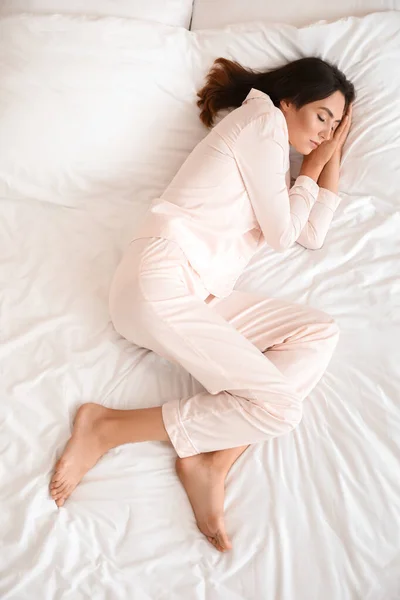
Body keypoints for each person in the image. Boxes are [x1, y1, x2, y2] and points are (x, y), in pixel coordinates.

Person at [50, 56, 355, 553]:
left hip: (197, 292)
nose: (327, 131)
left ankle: (214, 459)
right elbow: (283, 234)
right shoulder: (261, 123)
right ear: (289, 98)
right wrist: (312, 170)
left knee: (318, 332)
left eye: (337, 126)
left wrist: (329, 158)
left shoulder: (274, 153)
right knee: (281, 409)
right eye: (323, 116)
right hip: (158, 281)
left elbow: (312, 235)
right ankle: (105, 427)